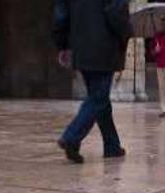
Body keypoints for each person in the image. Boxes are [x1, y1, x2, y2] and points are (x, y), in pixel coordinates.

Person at [53, 0, 132, 164]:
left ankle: (112, 145)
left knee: (99, 97)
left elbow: (61, 16)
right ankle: (71, 137)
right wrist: (127, 32)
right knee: (98, 98)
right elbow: (116, 11)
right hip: (104, 46)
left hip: (81, 47)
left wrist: (62, 45)